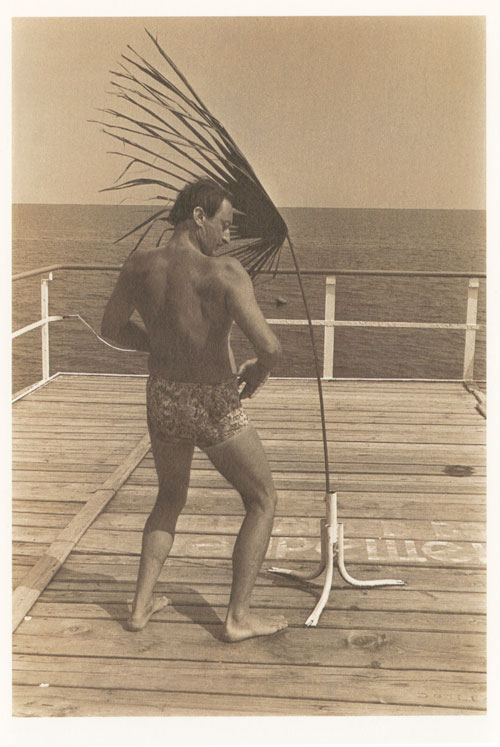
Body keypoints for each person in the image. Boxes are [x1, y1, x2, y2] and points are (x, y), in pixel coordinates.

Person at [101, 179, 288, 642]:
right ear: (198, 217)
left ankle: (140, 608)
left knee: (169, 497)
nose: (227, 236)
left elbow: (111, 328)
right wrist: (257, 372)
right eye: (224, 224)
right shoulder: (224, 273)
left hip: (163, 396)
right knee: (262, 499)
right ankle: (237, 618)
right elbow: (270, 347)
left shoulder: (138, 266)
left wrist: (154, 345)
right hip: (212, 400)